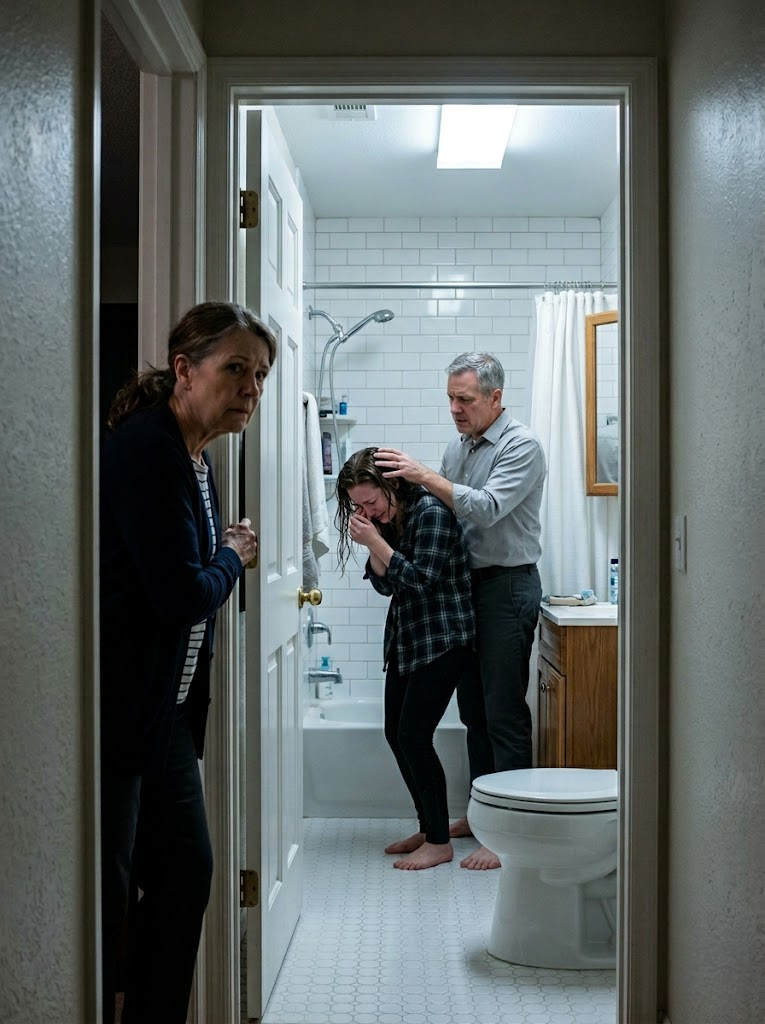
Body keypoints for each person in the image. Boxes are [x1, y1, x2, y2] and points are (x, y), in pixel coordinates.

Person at [99, 301, 276, 1024]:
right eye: (236, 369)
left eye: (259, 376)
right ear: (184, 369)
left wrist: (218, 560)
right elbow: (179, 597)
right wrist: (233, 556)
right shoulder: (149, 449)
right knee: (112, 898)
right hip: (123, 711)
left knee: (184, 875)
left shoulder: (196, 457)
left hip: (165, 716)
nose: (251, 389)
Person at [375, 352, 546, 870]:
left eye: (464, 399)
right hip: (466, 589)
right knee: (474, 714)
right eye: (450, 398)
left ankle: (508, 832)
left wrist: (423, 474)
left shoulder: (522, 446)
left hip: (506, 587)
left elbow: (487, 508)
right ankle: (481, 815)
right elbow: (446, 514)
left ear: (495, 397)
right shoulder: (459, 447)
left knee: (502, 713)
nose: (454, 408)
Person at [335, 447, 475, 870]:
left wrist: (375, 542)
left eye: (371, 501)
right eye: (359, 506)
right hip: (409, 638)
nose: (367, 512)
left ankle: (439, 842)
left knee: (414, 736)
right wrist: (375, 542)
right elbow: (385, 585)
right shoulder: (390, 520)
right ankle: (428, 827)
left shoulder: (430, 512)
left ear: (390, 485)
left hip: (445, 638)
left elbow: (420, 581)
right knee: (396, 734)